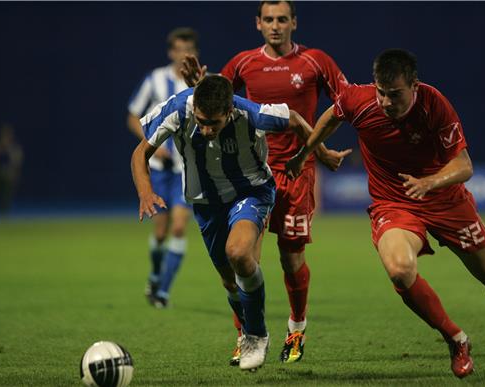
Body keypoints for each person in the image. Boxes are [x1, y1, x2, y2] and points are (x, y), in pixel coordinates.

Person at [286, 48, 485, 378]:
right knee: (399, 269)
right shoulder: (359, 99)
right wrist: (310, 151)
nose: (385, 102)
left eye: (394, 95)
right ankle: (456, 339)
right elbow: (332, 115)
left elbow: (464, 165)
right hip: (394, 203)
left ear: (414, 86)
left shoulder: (434, 104)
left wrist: (430, 182)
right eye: (381, 92)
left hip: (445, 199)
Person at [131, 75, 347, 371]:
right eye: (202, 121)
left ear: (229, 111)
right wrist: (145, 192)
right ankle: (248, 330)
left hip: (252, 192)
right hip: (206, 203)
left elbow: (295, 119)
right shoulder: (178, 109)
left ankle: (256, 335)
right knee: (229, 280)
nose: (206, 130)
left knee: (239, 253)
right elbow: (140, 153)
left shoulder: (251, 114)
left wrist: (317, 153)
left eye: (214, 123)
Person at [181, 0, 349, 365]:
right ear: (258, 23)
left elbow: (345, 102)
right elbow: (216, 97)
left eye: (282, 19)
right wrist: (198, 83)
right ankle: (247, 336)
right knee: (243, 258)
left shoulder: (316, 61)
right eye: (269, 19)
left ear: (294, 23)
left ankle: (296, 329)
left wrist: (317, 150)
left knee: (291, 259)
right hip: (250, 174)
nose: (275, 25)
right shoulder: (244, 62)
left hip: (294, 171)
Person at [127, 27, 199, 308]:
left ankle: (163, 292)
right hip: (158, 167)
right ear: (171, 52)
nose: (183, 54)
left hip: (186, 168)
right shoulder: (155, 79)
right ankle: (156, 274)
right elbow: (133, 115)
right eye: (178, 49)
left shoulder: (199, 83)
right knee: (160, 231)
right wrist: (152, 143)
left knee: (179, 228)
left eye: (188, 49)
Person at [0, 122, 23, 215]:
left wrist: (9, 149)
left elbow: (17, 160)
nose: (6, 137)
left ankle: (4, 215)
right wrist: (0, 148)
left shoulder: (14, 147)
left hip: (8, 175)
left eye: (8, 134)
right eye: (4, 134)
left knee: (6, 197)